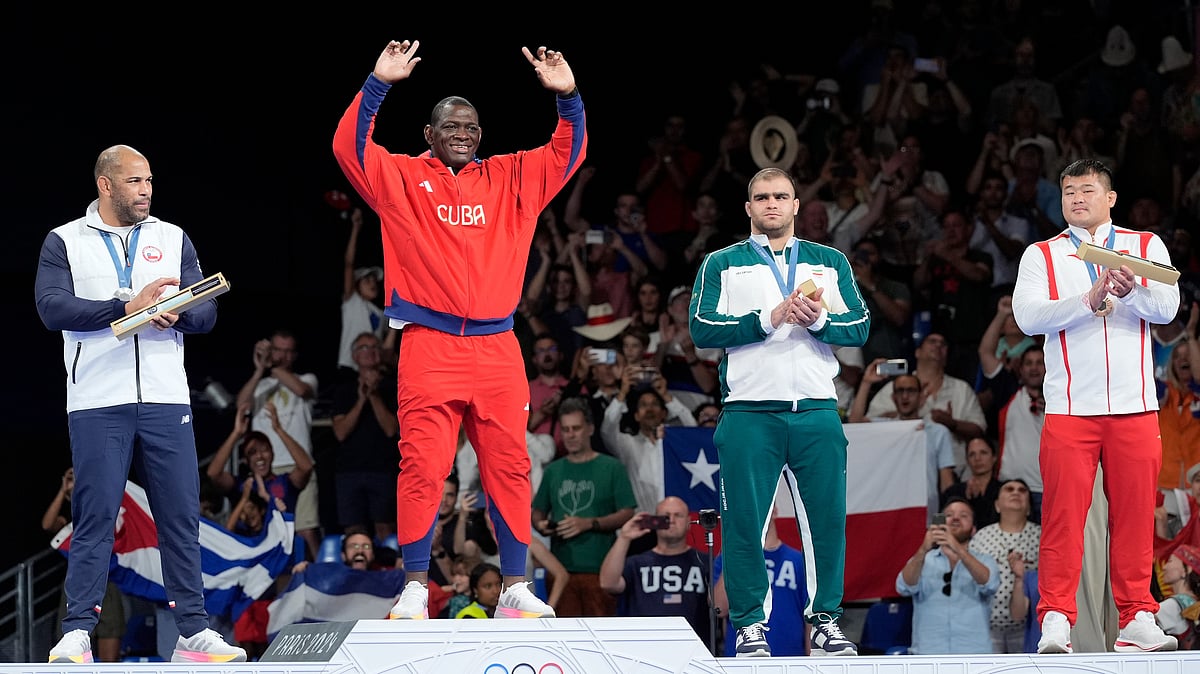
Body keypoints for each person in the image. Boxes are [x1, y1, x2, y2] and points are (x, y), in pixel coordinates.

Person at [332, 38, 586, 621]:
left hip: (498, 345)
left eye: (472, 125)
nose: (464, 132)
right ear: (428, 134)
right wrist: (378, 84)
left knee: (510, 465)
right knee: (422, 465)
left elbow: (566, 152)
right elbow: (349, 146)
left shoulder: (511, 177)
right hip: (429, 343)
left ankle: (517, 588)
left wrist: (567, 97)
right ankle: (416, 587)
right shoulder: (398, 178)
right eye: (451, 123)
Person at [35, 144, 246, 664]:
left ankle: (193, 631)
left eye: (149, 180)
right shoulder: (64, 240)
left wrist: (178, 314)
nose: (146, 189)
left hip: (165, 395)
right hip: (97, 398)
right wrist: (126, 307)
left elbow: (207, 313)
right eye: (134, 181)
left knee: (180, 514)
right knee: (97, 515)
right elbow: (51, 306)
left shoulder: (171, 237)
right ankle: (78, 631)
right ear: (105, 185)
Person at [689, 167, 869, 657]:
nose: (772, 204)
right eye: (762, 197)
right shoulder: (721, 263)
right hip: (749, 412)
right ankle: (750, 625)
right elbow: (702, 328)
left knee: (826, 521)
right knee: (745, 522)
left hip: (815, 409)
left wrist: (822, 319)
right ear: (748, 208)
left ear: (795, 204)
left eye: (781, 196)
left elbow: (860, 325)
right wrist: (767, 319)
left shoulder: (828, 261)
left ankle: (827, 622)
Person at [1011, 158, 1179, 654]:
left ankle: (1137, 617)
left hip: (1135, 406)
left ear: (1110, 198)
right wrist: (1087, 299)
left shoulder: (1144, 245)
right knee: (1064, 517)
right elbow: (1027, 318)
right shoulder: (1041, 254)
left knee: (1134, 515)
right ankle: (1057, 617)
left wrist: (1133, 294)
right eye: (1068, 192)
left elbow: (1168, 308)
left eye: (1087, 190)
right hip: (1070, 408)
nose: (1076, 198)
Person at [532, 397, 637, 617]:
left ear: (590, 429)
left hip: (600, 570)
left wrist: (590, 523)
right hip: (561, 571)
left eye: (576, 428)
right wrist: (541, 524)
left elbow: (628, 512)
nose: (570, 435)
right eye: (566, 429)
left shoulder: (611, 467)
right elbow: (538, 510)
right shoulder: (554, 470)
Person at [234, 329, 321, 559]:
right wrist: (259, 370)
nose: (282, 356)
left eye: (287, 351)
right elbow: (241, 405)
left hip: (297, 466)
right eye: (277, 350)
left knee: (306, 528)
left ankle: (320, 578)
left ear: (294, 355)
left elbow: (301, 390)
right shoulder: (261, 386)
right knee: (267, 526)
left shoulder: (307, 379)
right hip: (266, 469)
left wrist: (271, 364)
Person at [43, 467, 127, 663]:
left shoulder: (104, 512)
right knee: (71, 651)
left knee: (109, 658)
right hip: (75, 587)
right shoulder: (69, 526)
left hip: (108, 584)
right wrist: (64, 490)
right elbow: (47, 525)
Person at [598, 497, 711, 641]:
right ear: (655, 520)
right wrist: (624, 537)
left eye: (678, 515)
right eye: (665, 516)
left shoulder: (705, 562)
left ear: (689, 522)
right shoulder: (636, 563)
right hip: (643, 648)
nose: (671, 520)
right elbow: (608, 583)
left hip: (696, 648)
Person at [896, 497, 999, 654]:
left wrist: (957, 547)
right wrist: (923, 549)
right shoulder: (923, 559)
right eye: (949, 515)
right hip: (928, 654)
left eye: (964, 515)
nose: (956, 518)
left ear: (973, 529)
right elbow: (903, 587)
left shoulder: (985, 561)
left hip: (974, 656)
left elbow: (990, 584)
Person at [713, 506, 812, 657]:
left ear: (775, 511)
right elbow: (719, 607)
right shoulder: (729, 558)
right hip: (742, 658)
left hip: (789, 658)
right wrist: (737, 552)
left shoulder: (798, 560)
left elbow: (810, 619)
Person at [330, 331, 400, 541]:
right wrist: (361, 400)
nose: (370, 352)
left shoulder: (393, 388)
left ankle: (388, 571)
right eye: (364, 348)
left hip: (383, 469)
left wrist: (374, 396)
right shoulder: (343, 391)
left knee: (385, 527)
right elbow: (340, 433)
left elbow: (390, 429)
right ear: (354, 356)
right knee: (353, 530)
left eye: (374, 347)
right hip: (349, 471)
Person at [969, 478, 1042, 653]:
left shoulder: (1042, 537)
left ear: (1029, 507)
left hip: (1029, 628)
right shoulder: (982, 537)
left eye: (1022, 490)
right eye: (1009, 489)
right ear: (997, 505)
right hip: (985, 628)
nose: (1016, 492)